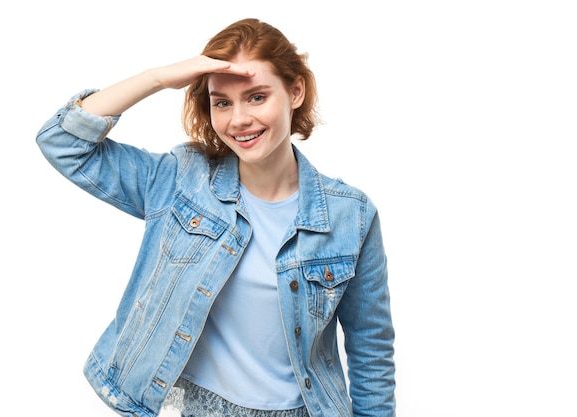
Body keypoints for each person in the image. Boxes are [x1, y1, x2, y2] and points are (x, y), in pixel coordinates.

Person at [36, 18, 395, 417]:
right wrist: (157, 78)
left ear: (296, 91)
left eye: (257, 97)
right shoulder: (180, 180)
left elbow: (370, 346)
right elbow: (63, 143)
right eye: (222, 102)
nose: (238, 119)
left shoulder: (352, 215)